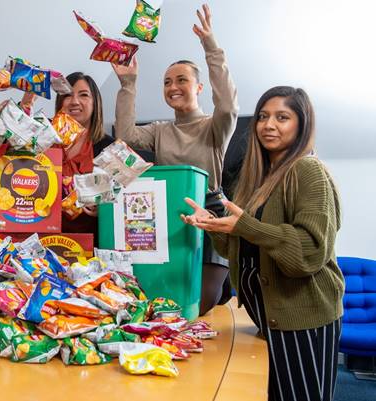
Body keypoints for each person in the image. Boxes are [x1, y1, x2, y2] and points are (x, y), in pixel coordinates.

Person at [181, 86, 343, 401]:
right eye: (263, 117)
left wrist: (246, 225)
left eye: (282, 117)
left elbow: (309, 252)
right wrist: (214, 227)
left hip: (303, 316)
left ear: (302, 124)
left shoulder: (308, 171)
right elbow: (238, 250)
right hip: (267, 314)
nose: (269, 125)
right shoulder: (258, 178)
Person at [111, 4, 238, 315]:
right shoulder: (159, 130)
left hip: (210, 213)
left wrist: (210, 46)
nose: (172, 87)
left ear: (198, 87)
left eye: (180, 80)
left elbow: (228, 106)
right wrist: (128, 84)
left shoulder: (214, 127)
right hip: (168, 217)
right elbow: (125, 136)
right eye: (167, 82)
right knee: (169, 303)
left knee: (202, 304)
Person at [54, 72, 114, 237]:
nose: (74, 101)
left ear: (95, 104)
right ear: (60, 102)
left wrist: (104, 209)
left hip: (94, 242)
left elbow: (123, 200)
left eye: (84, 95)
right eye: (67, 95)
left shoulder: (108, 147)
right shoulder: (45, 143)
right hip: (46, 240)